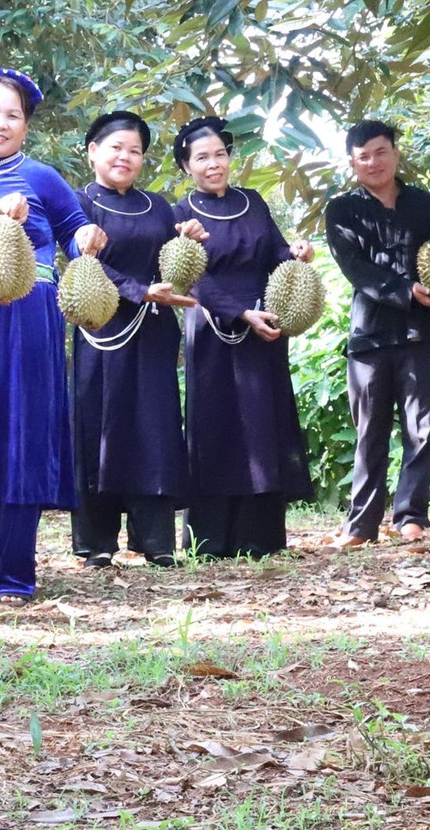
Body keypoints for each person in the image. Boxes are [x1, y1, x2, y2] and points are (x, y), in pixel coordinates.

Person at [0, 69, 105, 601]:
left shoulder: (41, 176)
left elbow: (74, 230)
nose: (0, 123)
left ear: (25, 126)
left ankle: (13, 574)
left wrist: (87, 237)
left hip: (30, 316)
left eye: (12, 115)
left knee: (24, 429)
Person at [324, 120, 430, 547]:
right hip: (370, 333)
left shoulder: (424, 204)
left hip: (423, 331)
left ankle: (411, 517)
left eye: (380, 152)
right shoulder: (342, 210)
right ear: (352, 162)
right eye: (363, 156)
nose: (373, 162)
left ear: (395, 153)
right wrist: (405, 291)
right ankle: (360, 526)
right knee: (369, 431)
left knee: (421, 429)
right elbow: (354, 267)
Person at [170, 117, 314, 560]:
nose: (213, 164)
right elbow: (190, 277)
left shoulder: (253, 202)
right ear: (186, 166)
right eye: (202, 158)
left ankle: (260, 537)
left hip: (263, 325)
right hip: (212, 327)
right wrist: (238, 312)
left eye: (220, 154)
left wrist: (297, 252)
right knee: (216, 427)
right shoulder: (180, 213)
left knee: (261, 426)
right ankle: (211, 540)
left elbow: (275, 252)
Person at [70, 111, 202, 567]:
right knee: (98, 427)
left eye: (135, 151)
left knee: (154, 429)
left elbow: (175, 261)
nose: (125, 157)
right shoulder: (78, 203)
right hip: (100, 331)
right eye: (116, 148)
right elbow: (79, 260)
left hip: (153, 333)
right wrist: (137, 290)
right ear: (93, 151)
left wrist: (190, 240)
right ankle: (97, 542)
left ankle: (156, 540)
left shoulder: (159, 207)